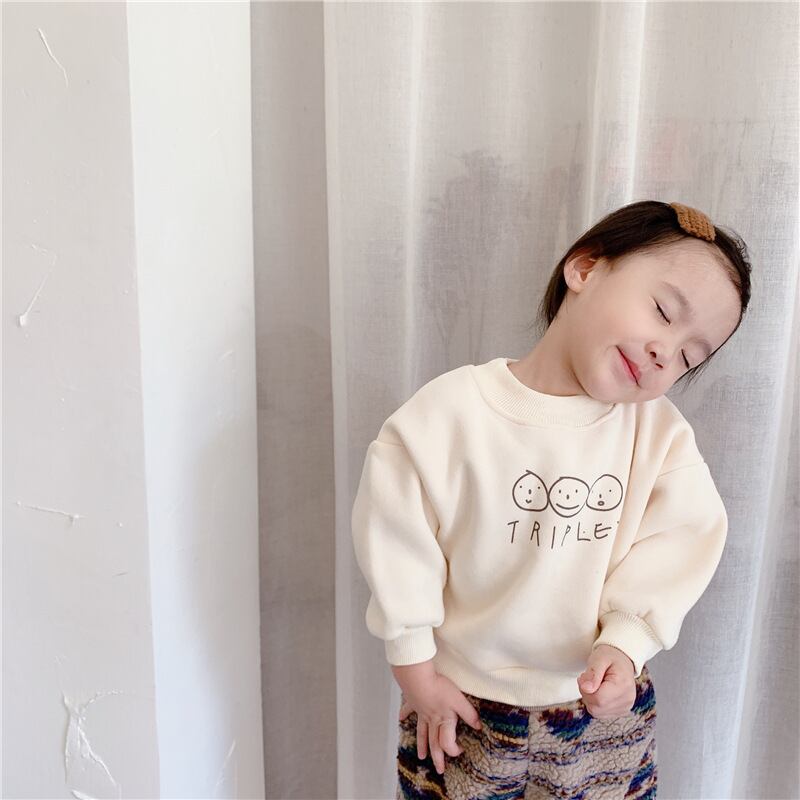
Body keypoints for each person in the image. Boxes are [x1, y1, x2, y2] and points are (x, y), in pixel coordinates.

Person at [350, 200, 752, 799]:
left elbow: (680, 541)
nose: (665, 353)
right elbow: (397, 538)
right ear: (585, 268)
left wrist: (626, 642)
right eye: (664, 312)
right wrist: (415, 672)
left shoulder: (659, 438)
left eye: (690, 356)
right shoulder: (447, 416)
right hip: (462, 707)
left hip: (597, 713)